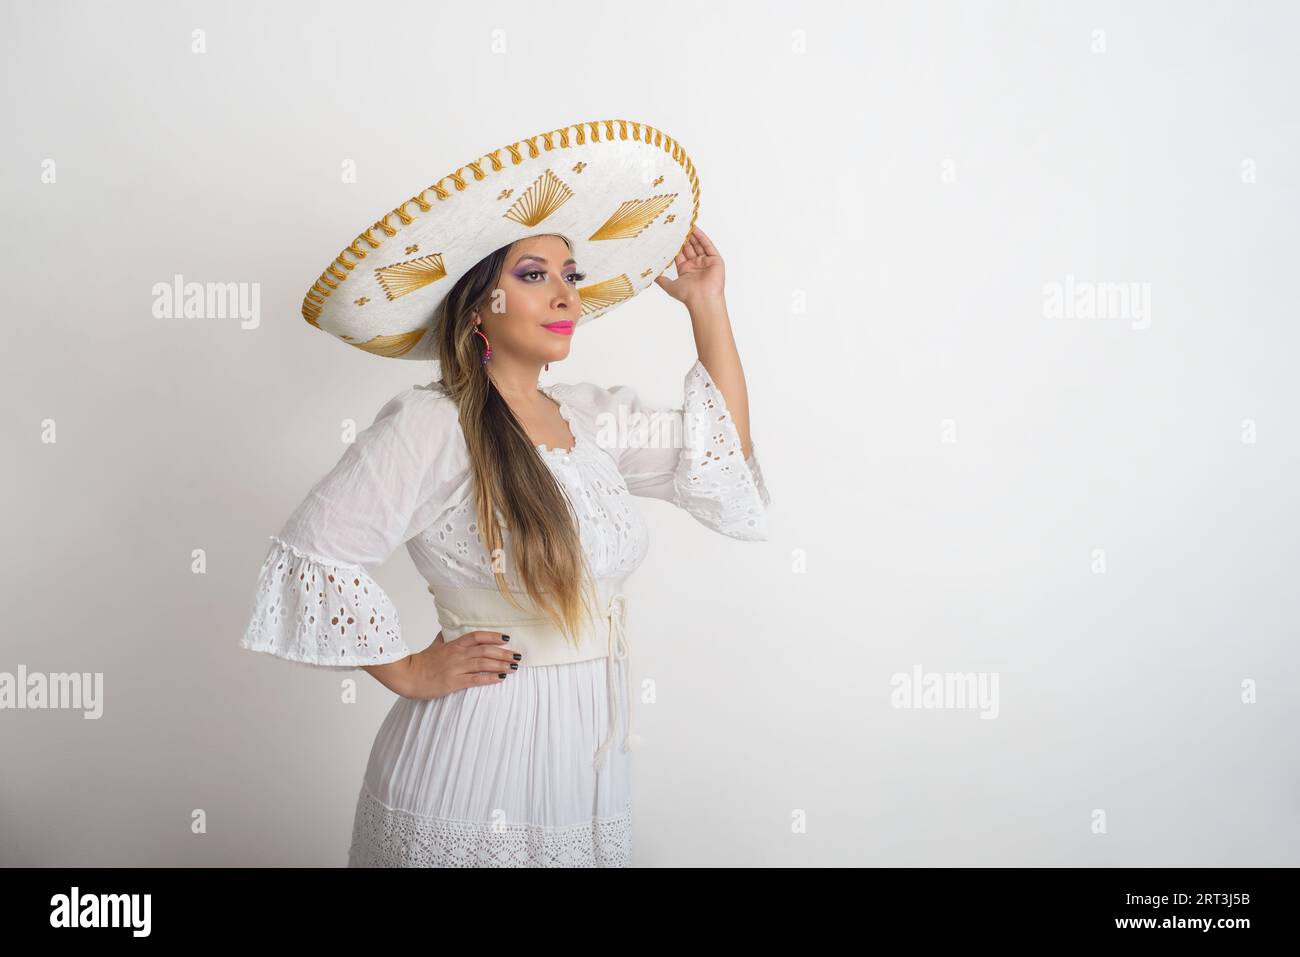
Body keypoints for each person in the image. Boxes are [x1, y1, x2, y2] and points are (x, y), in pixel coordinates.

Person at [239, 120, 771, 866]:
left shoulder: (590, 418)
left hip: (585, 753)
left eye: (571, 275)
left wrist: (706, 304)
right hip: (471, 751)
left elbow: (722, 454)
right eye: (534, 274)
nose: (565, 294)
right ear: (480, 299)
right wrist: (409, 668)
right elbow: (312, 553)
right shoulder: (433, 423)